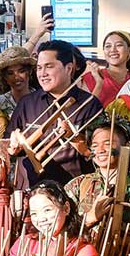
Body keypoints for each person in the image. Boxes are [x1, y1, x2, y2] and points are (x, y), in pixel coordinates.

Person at [7, 40, 104, 188]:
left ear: (69, 68)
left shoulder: (90, 105)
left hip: (75, 190)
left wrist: (76, 139)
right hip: (32, 189)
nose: (42, 74)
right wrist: (13, 146)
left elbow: (97, 155)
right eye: (39, 68)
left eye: (49, 66)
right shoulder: (27, 103)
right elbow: (8, 144)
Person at [82, 31, 130, 107]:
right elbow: (83, 113)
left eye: (119, 45)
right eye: (108, 46)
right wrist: (99, 83)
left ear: (129, 50)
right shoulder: (90, 78)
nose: (113, 50)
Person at [0, 46, 38, 117]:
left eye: (21, 71)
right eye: (10, 73)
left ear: (29, 71)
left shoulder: (41, 99)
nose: (16, 77)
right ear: (5, 77)